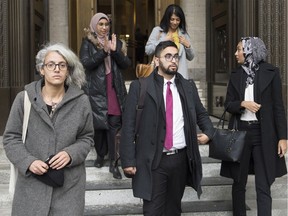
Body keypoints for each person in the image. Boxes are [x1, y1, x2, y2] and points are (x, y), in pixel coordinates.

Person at [120, 40, 214, 216]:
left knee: (173, 210)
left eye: (176, 57)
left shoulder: (187, 86)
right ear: (156, 60)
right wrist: (128, 160)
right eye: (168, 56)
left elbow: (201, 114)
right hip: (153, 160)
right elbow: (128, 126)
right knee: (153, 211)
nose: (173, 61)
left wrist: (209, 132)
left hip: (180, 159)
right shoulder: (139, 86)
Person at [3, 43, 94, 215]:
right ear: (41, 69)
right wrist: (28, 161)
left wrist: (70, 154)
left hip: (68, 188)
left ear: (68, 70)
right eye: (50, 64)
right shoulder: (24, 99)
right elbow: (10, 138)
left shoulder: (81, 102)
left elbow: (87, 138)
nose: (57, 69)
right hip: (31, 187)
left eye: (62, 65)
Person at [221, 37, 287, 216]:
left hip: (263, 134)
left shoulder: (271, 72)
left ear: (250, 51)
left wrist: (283, 137)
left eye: (239, 49)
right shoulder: (236, 75)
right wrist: (243, 103)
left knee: (263, 184)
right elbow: (228, 104)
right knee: (238, 182)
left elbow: (278, 107)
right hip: (240, 134)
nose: (236, 53)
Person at [79, 12, 131, 179]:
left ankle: (114, 163)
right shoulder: (87, 43)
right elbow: (86, 63)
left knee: (114, 125)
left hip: (114, 87)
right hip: (96, 90)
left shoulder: (117, 42)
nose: (104, 27)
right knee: (99, 126)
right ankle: (101, 155)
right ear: (95, 25)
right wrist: (103, 52)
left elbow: (126, 64)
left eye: (106, 24)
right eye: (100, 24)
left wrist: (115, 51)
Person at [145, 4, 194, 79]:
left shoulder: (183, 34)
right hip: (161, 76)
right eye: (172, 19)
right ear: (167, 19)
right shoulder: (158, 31)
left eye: (177, 20)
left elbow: (191, 57)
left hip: (180, 77)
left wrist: (188, 46)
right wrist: (162, 40)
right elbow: (148, 50)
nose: (175, 22)